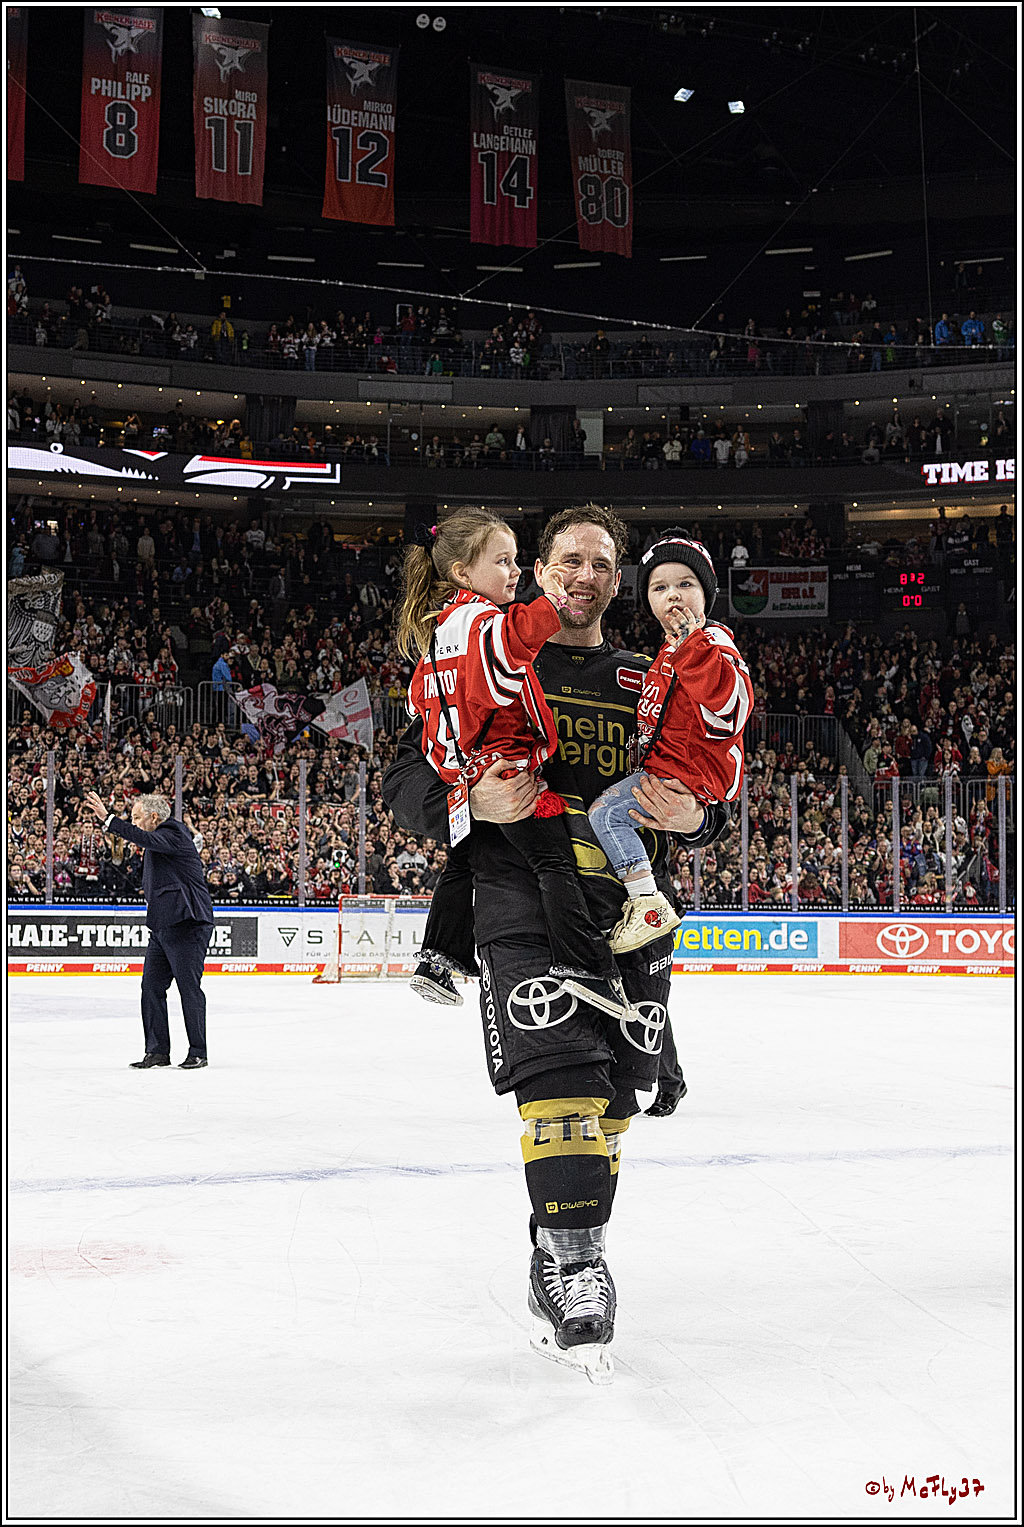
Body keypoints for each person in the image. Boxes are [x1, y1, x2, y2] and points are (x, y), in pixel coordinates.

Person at [383, 504, 729, 1382]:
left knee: (617, 1094)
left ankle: (556, 1237)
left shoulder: (646, 674)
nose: (586, 574)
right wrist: (466, 804)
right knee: (562, 1081)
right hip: (519, 890)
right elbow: (408, 775)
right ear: (538, 570)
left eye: (603, 563)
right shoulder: (485, 648)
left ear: (621, 582)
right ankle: (578, 1266)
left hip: (629, 909)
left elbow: (692, 779)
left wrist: (701, 818)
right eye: (569, 558)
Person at [396, 510, 632, 1023]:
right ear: (463, 572)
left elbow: (423, 701)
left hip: (474, 768)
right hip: (507, 770)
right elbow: (512, 642)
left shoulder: (441, 630)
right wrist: (548, 604)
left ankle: (437, 957)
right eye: (504, 561)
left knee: (465, 856)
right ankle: (582, 962)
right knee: (553, 861)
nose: (516, 572)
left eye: (517, 560)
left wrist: (459, 782)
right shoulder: (484, 621)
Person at [588, 534, 752, 952]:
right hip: (670, 768)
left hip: (681, 774)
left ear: (706, 595)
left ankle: (647, 904)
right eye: (659, 588)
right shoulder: (668, 652)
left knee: (606, 816)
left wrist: (693, 648)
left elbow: (732, 709)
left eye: (686, 585)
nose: (673, 596)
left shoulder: (712, 643)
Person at [83, 789, 214, 1069]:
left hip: (187, 923)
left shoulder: (174, 832)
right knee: (151, 986)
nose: (135, 822)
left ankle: (198, 1051)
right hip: (163, 925)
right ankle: (157, 1051)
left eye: (137, 817)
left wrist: (109, 819)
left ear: (154, 817)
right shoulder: (158, 841)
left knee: (189, 988)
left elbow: (144, 837)